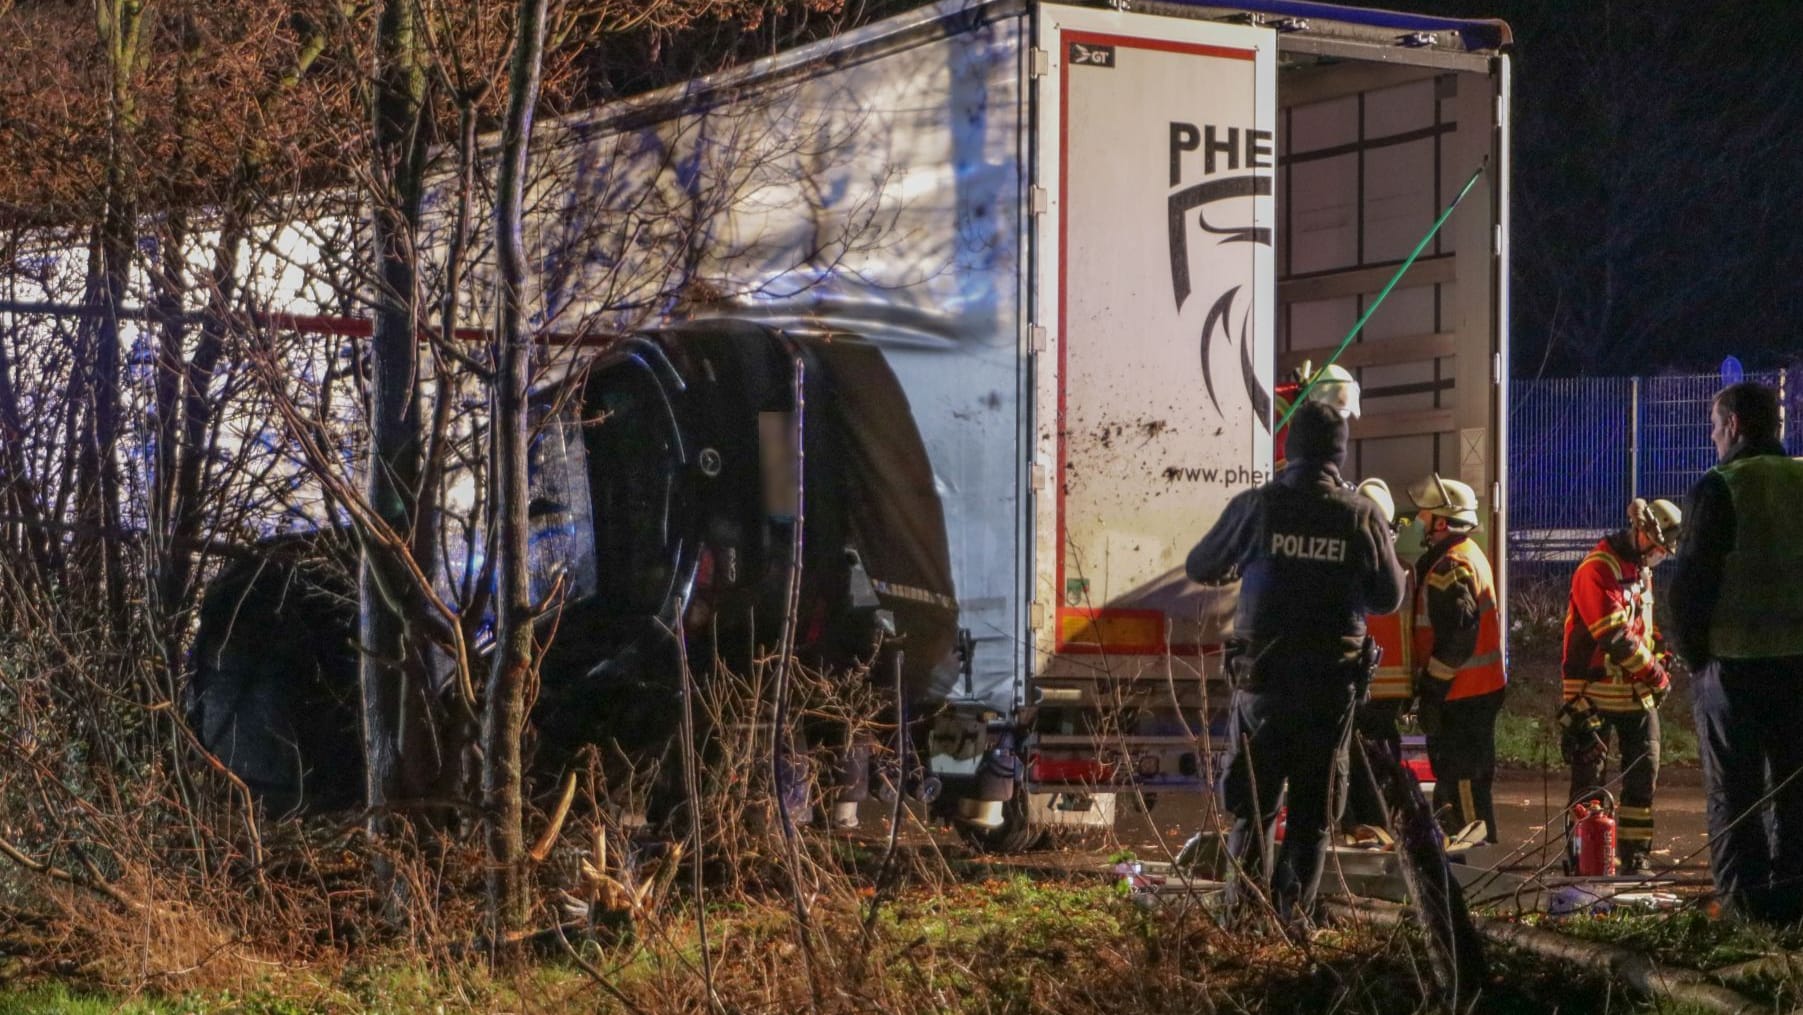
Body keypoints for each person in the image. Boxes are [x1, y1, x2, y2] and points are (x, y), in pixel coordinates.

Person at [1186, 400, 1405, 922]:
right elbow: (1388, 598)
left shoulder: (1258, 507)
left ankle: (1242, 920)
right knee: (1312, 817)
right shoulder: (1360, 515)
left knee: (1254, 807)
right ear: (1339, 454)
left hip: (1263, 686)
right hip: (1328, 694)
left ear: (1291, 448)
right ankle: (1292, 922)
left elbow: (1202, 564)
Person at [1668, 381, 1803, 923]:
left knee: (1735, 797)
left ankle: (1746, 914)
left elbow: (1689, 588)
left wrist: (1696, 658)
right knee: (1795, 793)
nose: (1713, 438)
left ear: (1735, 428)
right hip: (1799, 668)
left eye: (1714, 428)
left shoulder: (1719, 486)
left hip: (1735, 670)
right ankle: (1794, 908)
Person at [1559, 497, 1682, 873]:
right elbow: (1614, 634)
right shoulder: (1598, 569)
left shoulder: (1640, 568)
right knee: (1590, 784)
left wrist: (1660, 650)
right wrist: (1656, 675)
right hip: (1592, 696)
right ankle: (1584, 860)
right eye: (1659, 547)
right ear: (1641, 532)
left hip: (1635, 696)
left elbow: (1642, 625)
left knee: (1642, 782)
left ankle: (1634, 855)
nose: (1661, 555)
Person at [1407, 473, 1506, 843]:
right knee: (1469, 784)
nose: (1420, 521)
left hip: (1461, 697)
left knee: (1463, 786)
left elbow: (1458, 638)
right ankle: (1474, 863)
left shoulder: (1450, 566)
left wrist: (1432, 688)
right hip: (1476, 693)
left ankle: (1473, 865)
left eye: (1426, 515)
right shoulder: (1468, 554)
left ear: (1443, 522)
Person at [1343, 478, 1414, 836]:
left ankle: (1366, 825)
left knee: (1358, 765)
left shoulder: (1350, 564)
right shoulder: (1399, 571)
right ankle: (1384, 824)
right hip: (1389, 688)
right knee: (1383, 762)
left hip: (1364, 686)